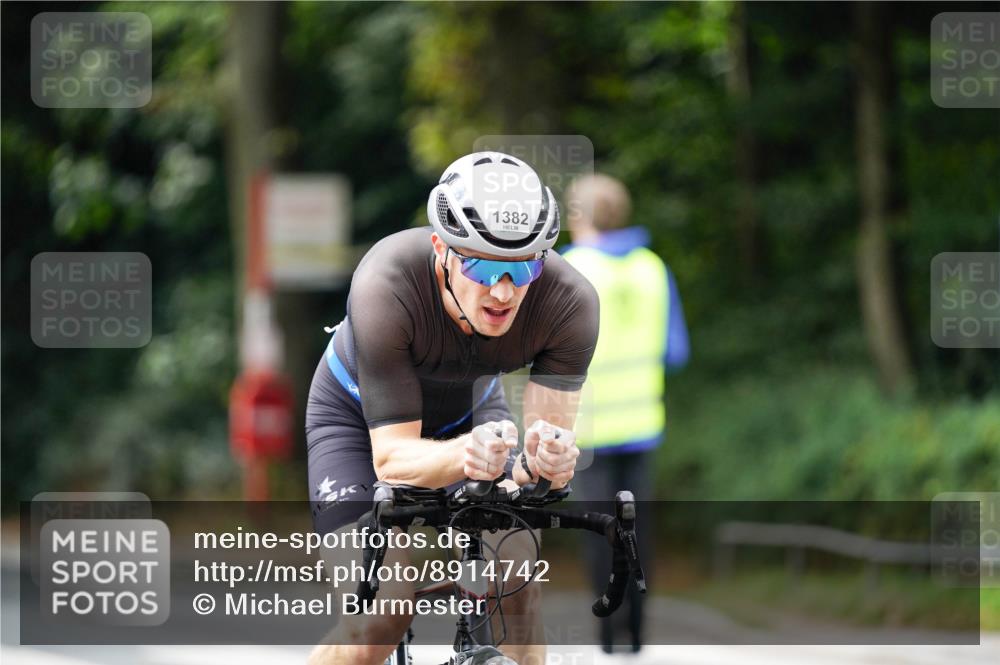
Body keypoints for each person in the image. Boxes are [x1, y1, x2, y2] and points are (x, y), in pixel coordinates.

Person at [305, 152, 599, 665]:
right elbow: (392, 460)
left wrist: (545, 462)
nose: (504, 291)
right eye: (483, 265)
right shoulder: (386, 282)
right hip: (356, 422)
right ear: (441, 247)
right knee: (381, 614)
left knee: (517, 584)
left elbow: (538, 462)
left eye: (524, 266)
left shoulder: (568, 303)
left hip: (473, 417)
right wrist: (469, 456)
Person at [561, 173, 690, 653]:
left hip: (589, 430)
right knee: (638, 532)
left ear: (581, 217)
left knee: (600, 533)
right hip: (642, 426)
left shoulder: (572, 267)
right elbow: (675, 351)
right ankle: (637, 636)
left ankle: (608, 637)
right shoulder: (654, 268)